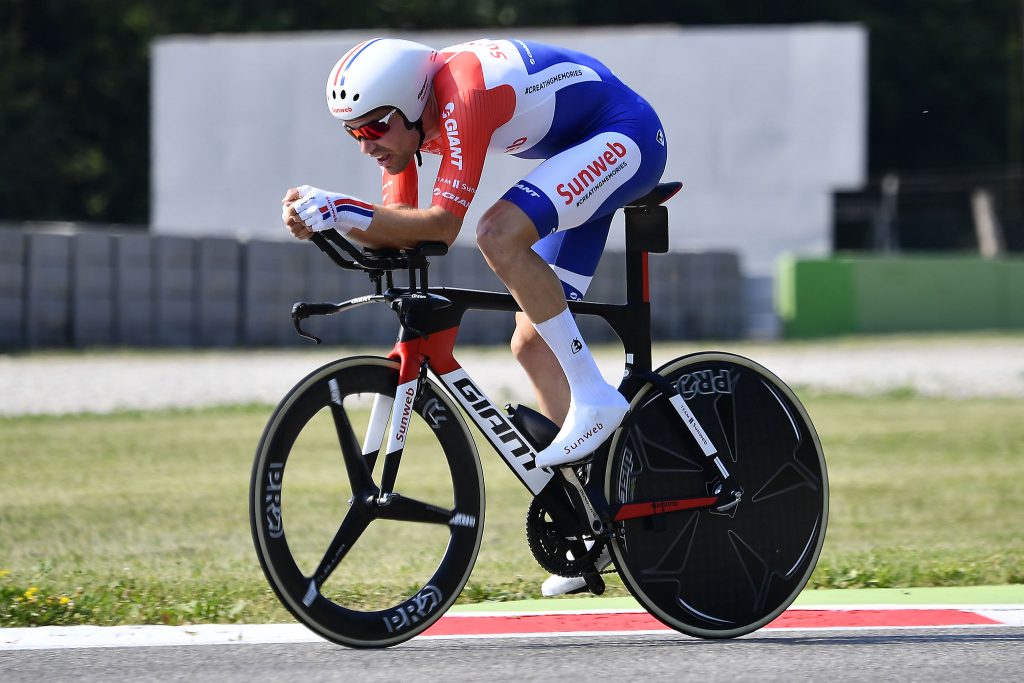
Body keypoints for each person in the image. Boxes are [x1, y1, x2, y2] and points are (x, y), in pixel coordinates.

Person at [282, 37, 667, 595]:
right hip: (581, 149)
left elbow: (441, 226)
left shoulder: (464, 91)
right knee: (532, 345)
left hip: (624, 136)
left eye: (374, 128)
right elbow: (402, 225)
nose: (367, 145)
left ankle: (596, 394)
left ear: (413, 104)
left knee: (498, 232)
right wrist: (328, 220)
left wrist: (341, 207)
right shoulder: (409, 122)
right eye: (353, 132)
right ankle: (603, 524)